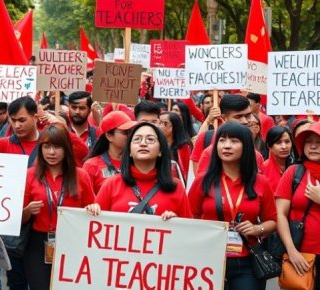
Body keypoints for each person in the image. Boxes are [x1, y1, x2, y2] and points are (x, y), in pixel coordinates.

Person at [187, 122, 276, 290]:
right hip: (208, 260)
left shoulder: (261, 182)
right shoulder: (203, 180)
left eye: (234, 141)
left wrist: (257, 229)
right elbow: (190, 217)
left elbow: (272, 221)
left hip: (247, 260)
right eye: (222, 140)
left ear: (246, 147)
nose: (226, 146)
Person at [275, 121, 320, 290]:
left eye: (319, 142)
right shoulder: (294, 172)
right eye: (308, 142)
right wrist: (291, 251)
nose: (313, 146)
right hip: (299, 255)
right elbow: (279, 214)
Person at [22, 124, 95, 290]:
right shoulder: (30, 175)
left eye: (57, 146)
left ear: (66, 149)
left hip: (72, 241)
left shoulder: (81, 175)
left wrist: (93, 209)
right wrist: (27, 211)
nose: (51, 152)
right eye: (46, 147)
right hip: (37, 242)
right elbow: (19, 219)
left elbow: (92, 207)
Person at [86, 122, 192, 219]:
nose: (143, 143)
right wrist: (93, 211)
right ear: (130, 151)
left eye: (150, 139)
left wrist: (176, 223)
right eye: (137, 139)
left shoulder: (176, 187)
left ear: (160, 150)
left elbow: (187, 231)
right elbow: (96, 225)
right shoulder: (111, 184)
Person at [192, 94, 265, 177]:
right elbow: (199, 181)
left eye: (248, 115)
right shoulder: (206, 143)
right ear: (224, 118)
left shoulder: (257, 156)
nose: (245, 121)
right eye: (238, 117)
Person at [83, 111, 136, 193]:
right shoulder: (91, 166)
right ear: (109, 136)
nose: (131, 136)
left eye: (132, 132)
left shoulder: (137, 162)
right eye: (126, 132)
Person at [159, 112, 192, 181]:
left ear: (175, 126)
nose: (160, 126)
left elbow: (187, 171)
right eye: (159, 123)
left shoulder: (184, 146)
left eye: (165, 124)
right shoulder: (156, 144)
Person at [261, 126, 294, 192]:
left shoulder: (297, 167)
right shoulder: (263, 169)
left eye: (287, 142)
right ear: (269, 146)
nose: (284, 147)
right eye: (278, 143)